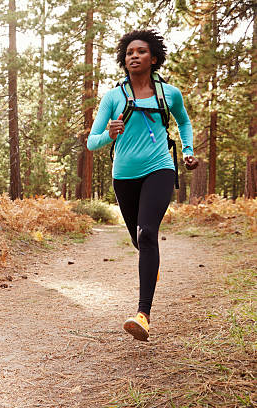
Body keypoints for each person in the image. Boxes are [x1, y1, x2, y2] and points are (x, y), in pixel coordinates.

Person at [87, 29, 198, 341]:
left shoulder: (170, 94)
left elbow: (184, 122)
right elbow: (91, 142)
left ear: (154, 58)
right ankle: (152, 266)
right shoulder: (113, 97)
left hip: (159, 167)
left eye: (141, 51)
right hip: (124, 176)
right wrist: (110, 133)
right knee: (140, 241)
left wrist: (187, 152)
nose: (134, 56)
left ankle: (142, 315)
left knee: (147, 233)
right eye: (129, 52)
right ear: (124, 59)